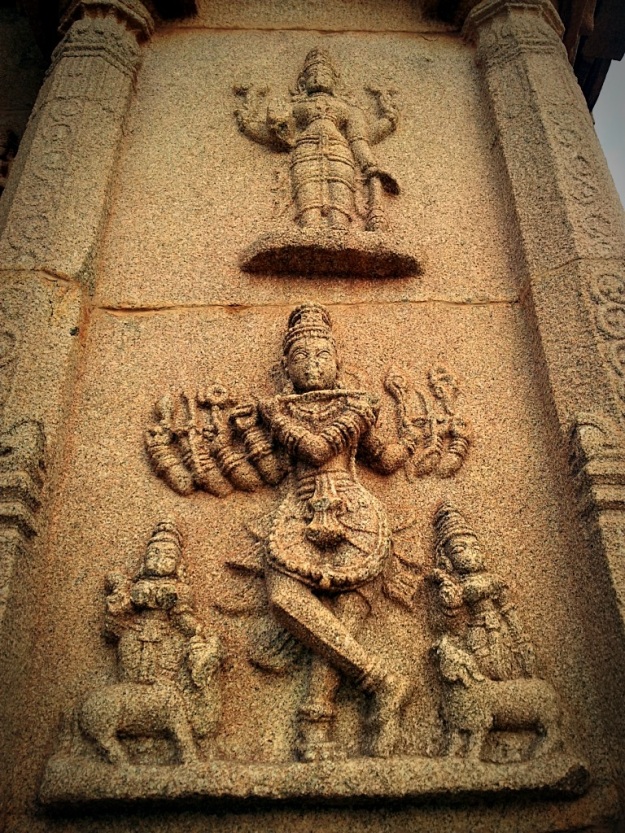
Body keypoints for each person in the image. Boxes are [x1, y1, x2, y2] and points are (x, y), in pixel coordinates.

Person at [250, 303, 418, 759]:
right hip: (298, 513)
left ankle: (315, 723)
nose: (312, 365)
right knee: (284, 598)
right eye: (301, 358)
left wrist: (417, 428)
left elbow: (335, 450)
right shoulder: (279, 410)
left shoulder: (356, 405)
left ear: (337, 362)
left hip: (354, 514)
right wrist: (244, 432)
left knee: (344, 616)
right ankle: (380, 681)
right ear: (286, 367)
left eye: (321, 356)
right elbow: (265, 473)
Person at [236, 48, 399, 231]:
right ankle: (309, 229)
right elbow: (273, 136)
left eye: (324, 74)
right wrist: (259, 119)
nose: (317, 77)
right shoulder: (294, 107)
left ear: (335, 81)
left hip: (340, 153)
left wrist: (370, 165)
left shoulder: (348, 108)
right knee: (307, 196)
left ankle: (340, 230)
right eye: (312, 74)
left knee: (340, 194)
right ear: (302, 82)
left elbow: (359, 139)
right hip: (305, 152)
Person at [429, 504, 535, 682]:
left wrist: (521, 637)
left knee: (515, 667)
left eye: (475, 547)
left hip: (503, 631)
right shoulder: (454, 586)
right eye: (459, 550)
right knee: (485, 670)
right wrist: (451, 607)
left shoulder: (494, 581)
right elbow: (445, 626)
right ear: (446, 557)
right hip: (478, 633)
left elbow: (509, 610)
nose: (471, 555)